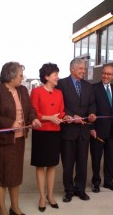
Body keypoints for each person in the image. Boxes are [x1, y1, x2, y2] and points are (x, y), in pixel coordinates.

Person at [0, 62, 41, 215]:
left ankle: (15, 208)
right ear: (11, 75)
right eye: (20, 75)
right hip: (2, 142)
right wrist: (10, 123)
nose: (22, 78)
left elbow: (30, 109)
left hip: (19, 141)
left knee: (15, 176)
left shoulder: (23, 90)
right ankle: (3, 211)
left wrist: (34, 119)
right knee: (0, 177)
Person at [57, 58, 96, 203]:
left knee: (82, 162)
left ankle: (80, 189)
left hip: (84, 131)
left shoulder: (88, 86)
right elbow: (60, 107)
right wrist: (72, 116)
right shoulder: (61, 84)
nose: (83, 71)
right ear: (72, 69)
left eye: (84, 69)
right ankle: (68, 190)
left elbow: (92, 104)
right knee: (68, 164)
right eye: (81, 68)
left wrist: (92, 114)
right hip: (68, 131)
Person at [30, 63, 65, 212]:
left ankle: (50, 196)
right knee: (40, 165)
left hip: (55, 131)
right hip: (41, 132)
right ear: (46, 77)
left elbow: (62, 111)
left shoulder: (59, 93)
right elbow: (33, 111)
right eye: (55, 74)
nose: (58, 77)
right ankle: (42, 197)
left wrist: (60, 117)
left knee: (52, 164)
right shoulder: (36, 91)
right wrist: (48, 117)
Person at [90, 65, 113, 193]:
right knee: (96, 158)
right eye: (104, 73)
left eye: (109, 74)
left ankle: (108, 181)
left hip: (112, 130)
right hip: (97, 130)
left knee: (111, 157)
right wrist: (92, 128)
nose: (106, 76)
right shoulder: (94, 88)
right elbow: (91, 110)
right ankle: (96, 182)